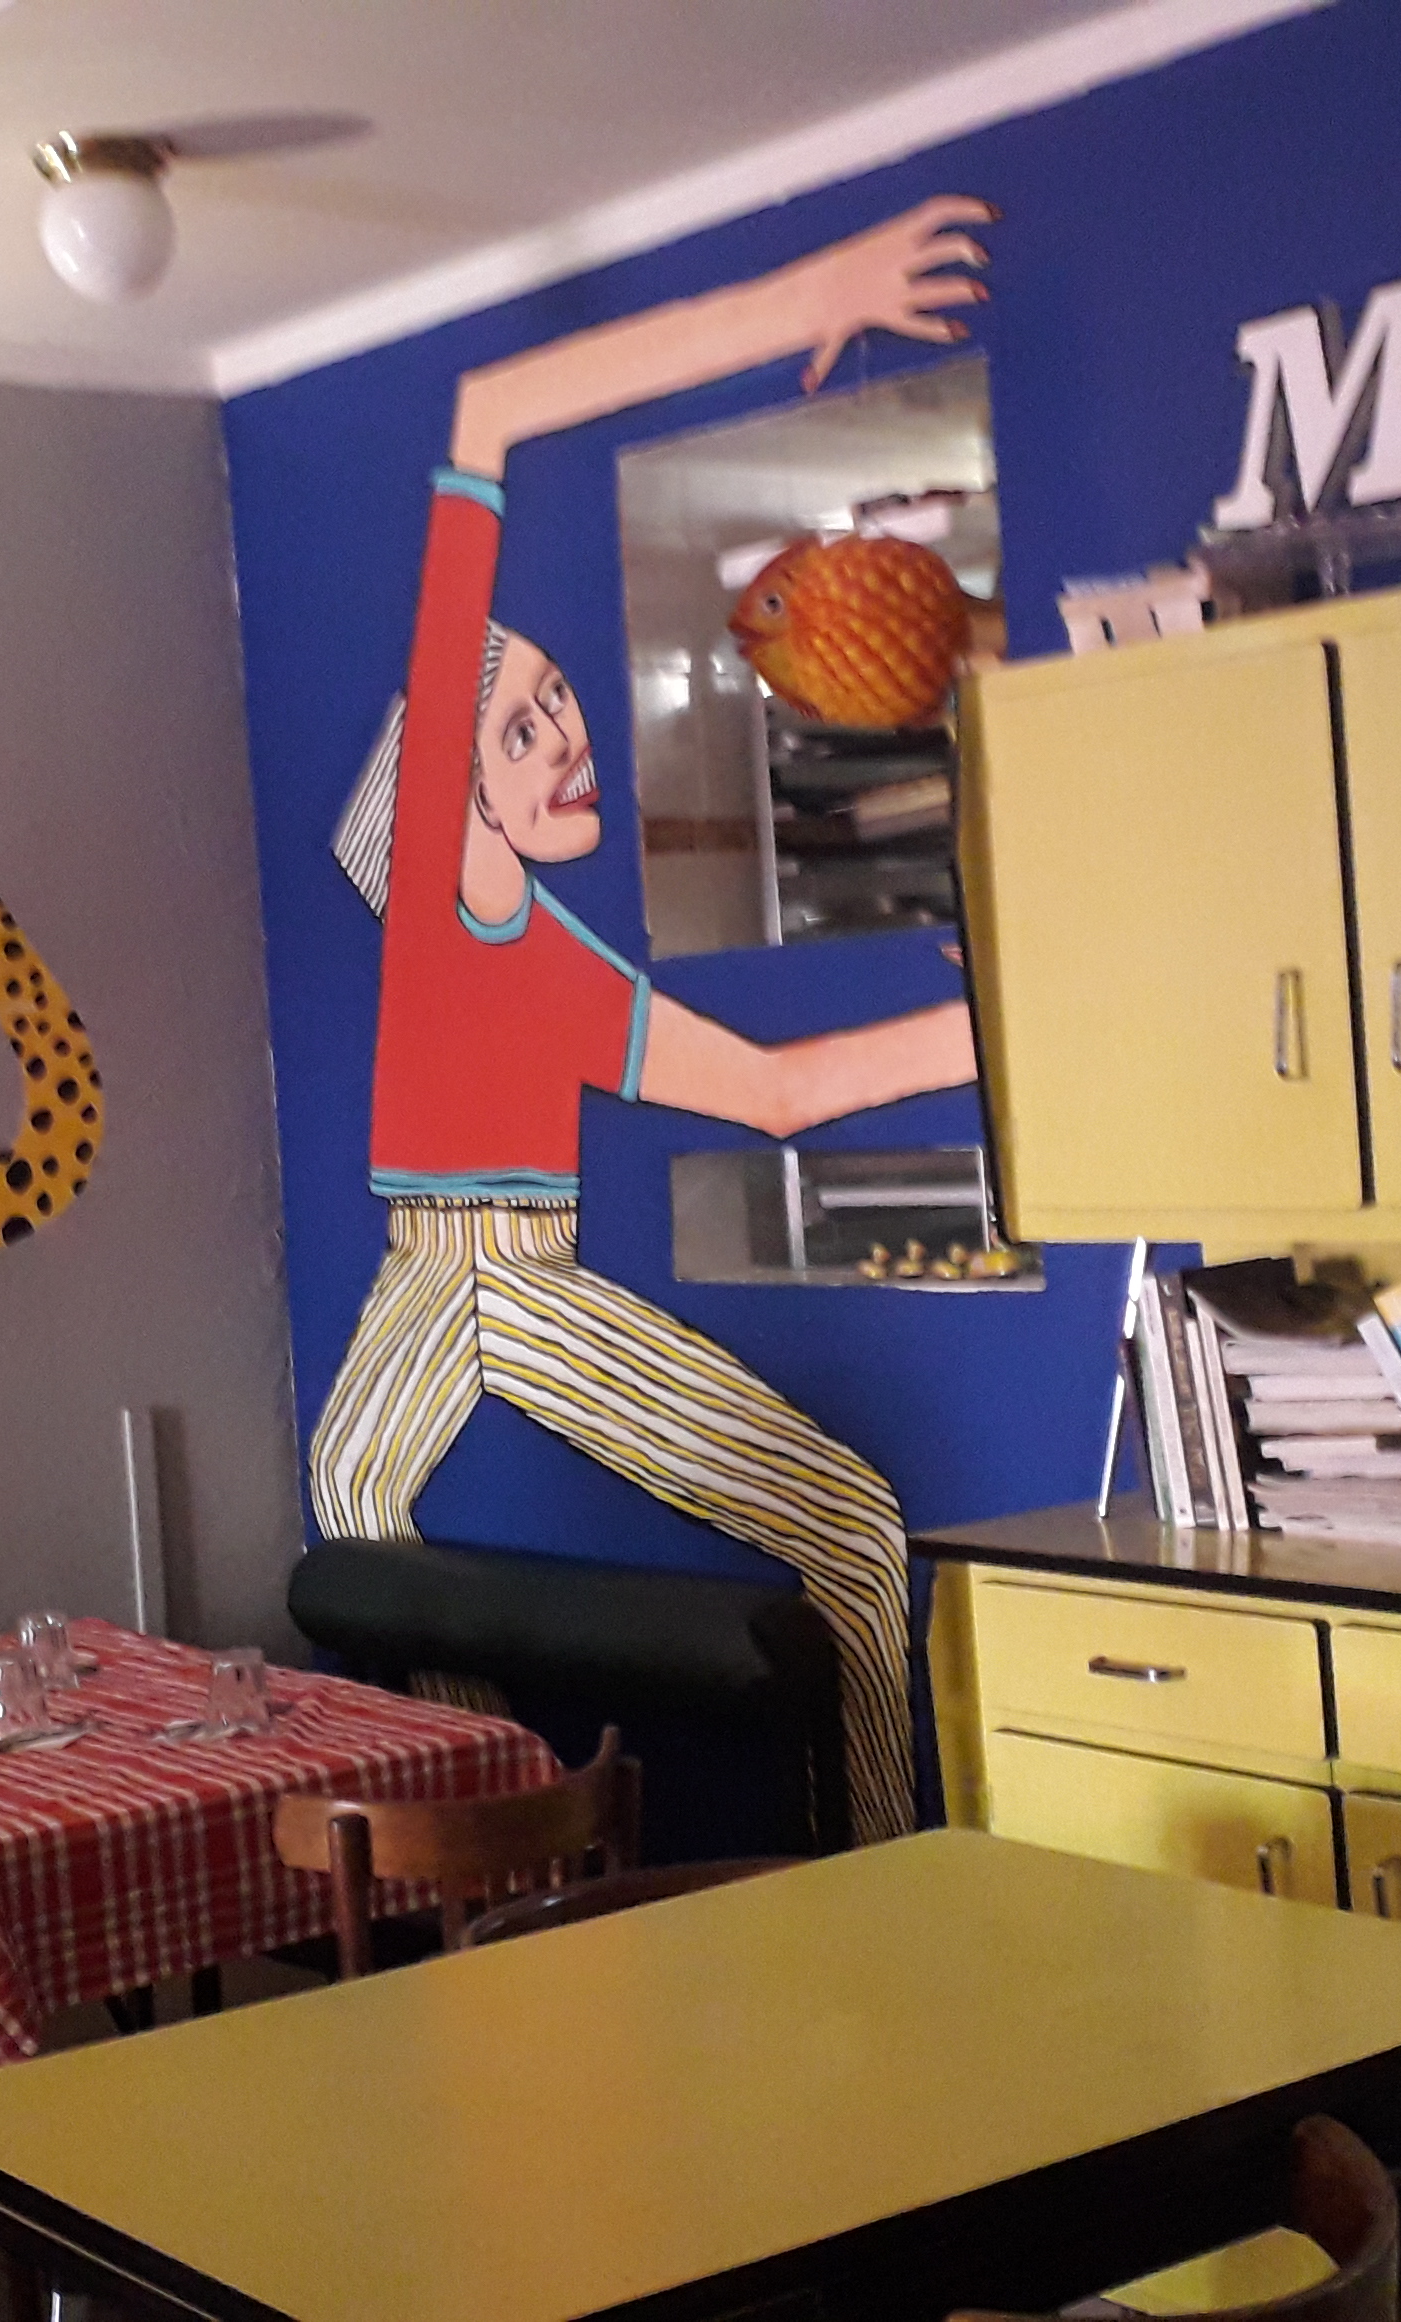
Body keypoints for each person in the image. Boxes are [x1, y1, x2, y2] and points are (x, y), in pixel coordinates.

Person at [310, 197, 994, 1842]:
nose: (567, 740)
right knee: (364, 1518)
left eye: (561, 704)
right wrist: (806, 295)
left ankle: (875, 1866)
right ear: (454, 785)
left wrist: (1014, 1010)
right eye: (522, 725)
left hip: (520, 1279)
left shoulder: (556, 966)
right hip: (453, 1281)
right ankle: (473, 1884)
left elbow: (775, 1090)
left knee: (852, 1525)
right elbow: (489, 412)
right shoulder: (434, 896)